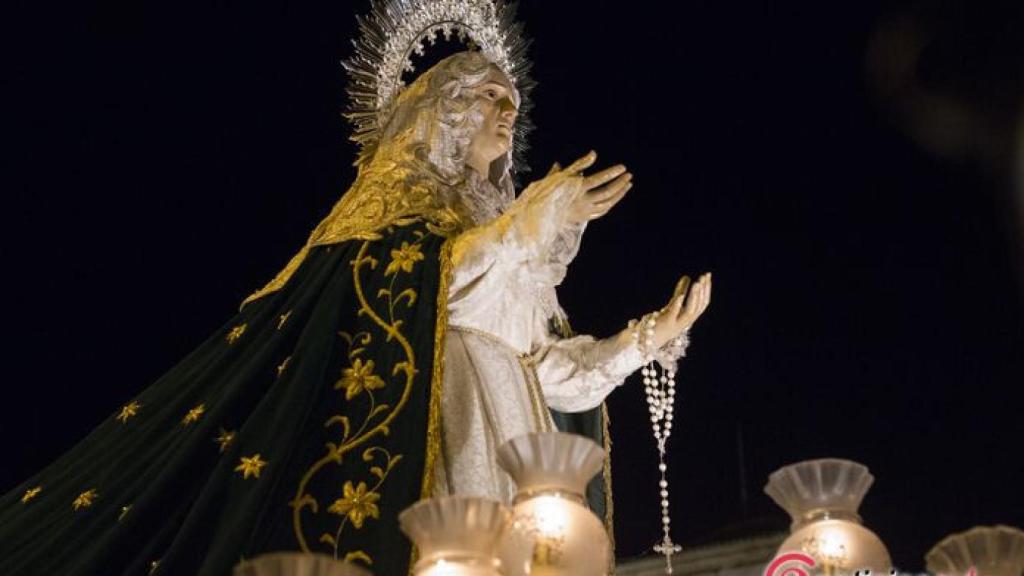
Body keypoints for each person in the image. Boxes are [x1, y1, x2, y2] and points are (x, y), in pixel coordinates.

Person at [0, 51, 710, 575]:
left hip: (515, 428)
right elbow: (429, 285)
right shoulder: (395, 210)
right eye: (490, 96)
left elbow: (551, 370)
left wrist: (646, 339)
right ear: (444, 109)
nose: (506, 113)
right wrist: (523, 229)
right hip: (442, 414)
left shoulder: (498, 230)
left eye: (513, 105)